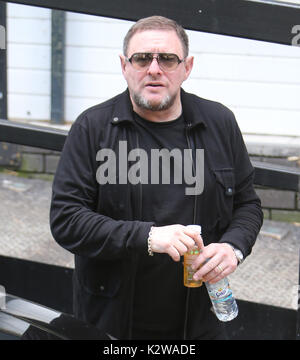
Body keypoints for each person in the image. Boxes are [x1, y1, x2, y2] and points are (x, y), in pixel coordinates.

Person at [50, 15, 263, 340]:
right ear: (124, 65)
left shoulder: (219, 123)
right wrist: (148, 237)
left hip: (199, 323)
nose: (154, 68)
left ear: (186, 67)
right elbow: (67, 220)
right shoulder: (92, 129)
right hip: (112, 326)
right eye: (141, 58)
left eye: (167, 58)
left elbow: (248, 204)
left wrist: (233, 248)